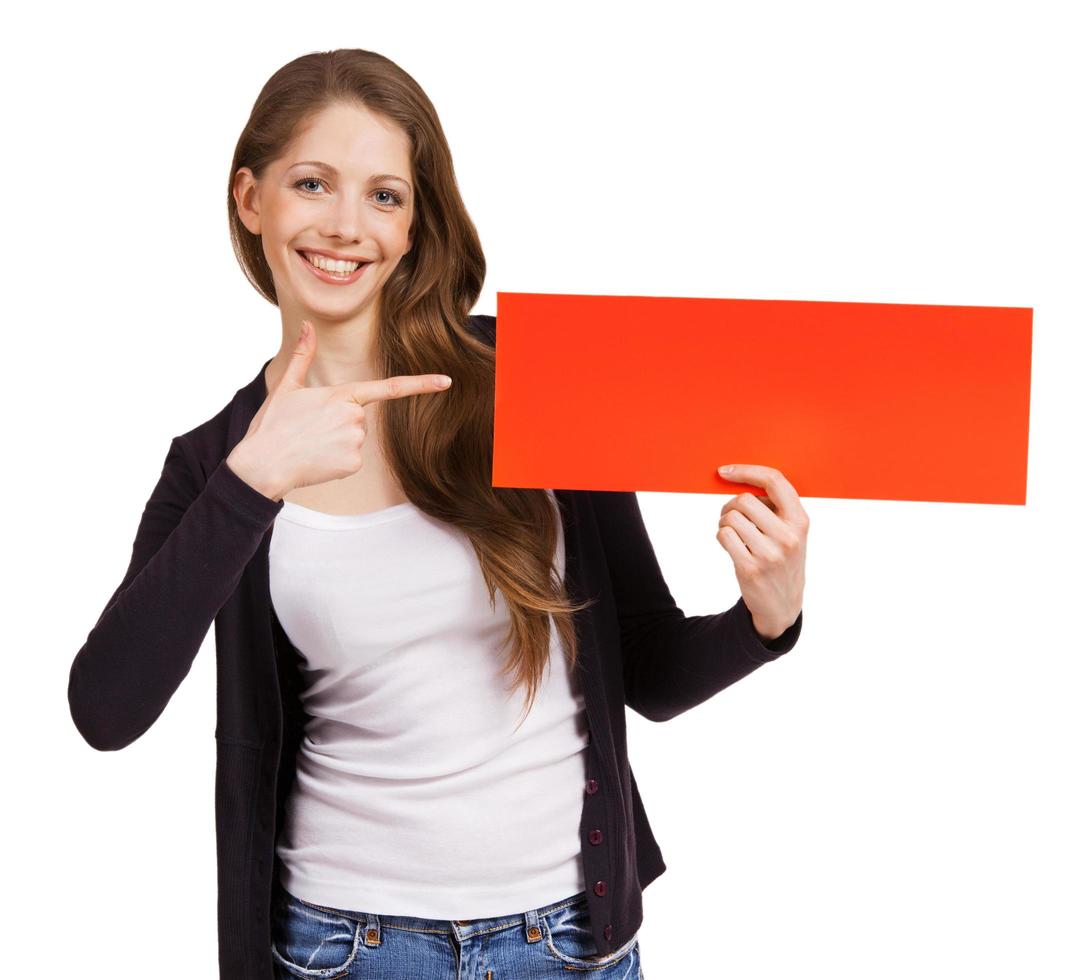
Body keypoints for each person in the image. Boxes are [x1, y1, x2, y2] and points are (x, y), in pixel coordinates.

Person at [67, 48, 808, 979]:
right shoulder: (219, 463)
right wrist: (250, 487)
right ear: (250, 200)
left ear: (417, 225)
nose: (345, 226)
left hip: (572, 944)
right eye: (311, 183)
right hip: (345, 950)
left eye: (384, 195)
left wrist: (765, 618)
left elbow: (649, 670)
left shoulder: (536, 383)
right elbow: (105, 708)